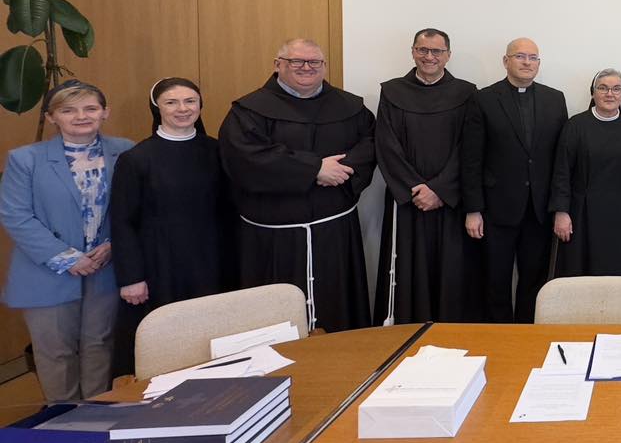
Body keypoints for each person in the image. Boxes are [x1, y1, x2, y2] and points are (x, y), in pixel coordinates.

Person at [218, 38, 375, 333]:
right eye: (296, 61)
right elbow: (246, 158)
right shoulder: (249, 110)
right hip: (274, 237)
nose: (306, 67)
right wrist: (314, 170)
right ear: (278, 65)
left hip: (333, 230)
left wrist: (340, 171)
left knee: (338, 317)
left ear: (324, 65)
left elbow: (369, 144)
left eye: (314, 62)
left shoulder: (350, 106)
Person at [1, 81, 132, 401]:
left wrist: (115, 244)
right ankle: (63, 421)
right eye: (68, 110)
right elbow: (15, 215)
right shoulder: (25, 159)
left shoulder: (126, 151)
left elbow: (137, 208)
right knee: (56, 353)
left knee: (100, 346)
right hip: (47, 271)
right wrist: (68, 258)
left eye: (90, 108)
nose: (81, 116)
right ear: (51, 117)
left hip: (105, 268)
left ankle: (98, 415)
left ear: (104, 112)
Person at [110, 77, 234, 377]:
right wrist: (131, 277)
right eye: (171, 102)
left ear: (200, 105)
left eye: (190, 101)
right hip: (161, 266)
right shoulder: (135, 159)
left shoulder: (218, 150)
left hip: (213, 262)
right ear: (157, 108)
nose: (182, 108)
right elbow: (123, 221)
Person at [373, 28, 480, 325]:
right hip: (408, 201)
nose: (429, 57)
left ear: (448, 55)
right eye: (422, 50)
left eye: (436, 51)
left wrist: (440, 190)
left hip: (450, 202)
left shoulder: (467, 93)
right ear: (413, 52)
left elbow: (469, 148)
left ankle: (451, 334)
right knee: (408, 272)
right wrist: (415, 188)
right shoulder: (392, 91)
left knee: (452, 272)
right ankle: (407, 333)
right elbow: (386, 145)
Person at [461, 37, 567, 323]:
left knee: (535, 282)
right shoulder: (483, 98)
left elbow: (562, 159)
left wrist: (560, 206)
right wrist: (473, 209)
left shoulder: (555, 99)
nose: (527, 62)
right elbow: (471, 158)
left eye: (533, 58)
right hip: (496, 209)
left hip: (539, 209)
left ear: (539, 63)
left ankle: (527, 337)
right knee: (495, 281)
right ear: (505, 61)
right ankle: (499, 338)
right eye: (520, 56)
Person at [551, 69, 621, 278]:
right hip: (581, 213)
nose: (610, 94)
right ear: (593, 92)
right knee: (580, 274)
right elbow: (562, 172)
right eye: (603, 88)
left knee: (617, 273)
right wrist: (561, 212)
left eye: (616, 89)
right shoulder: (575, 125)